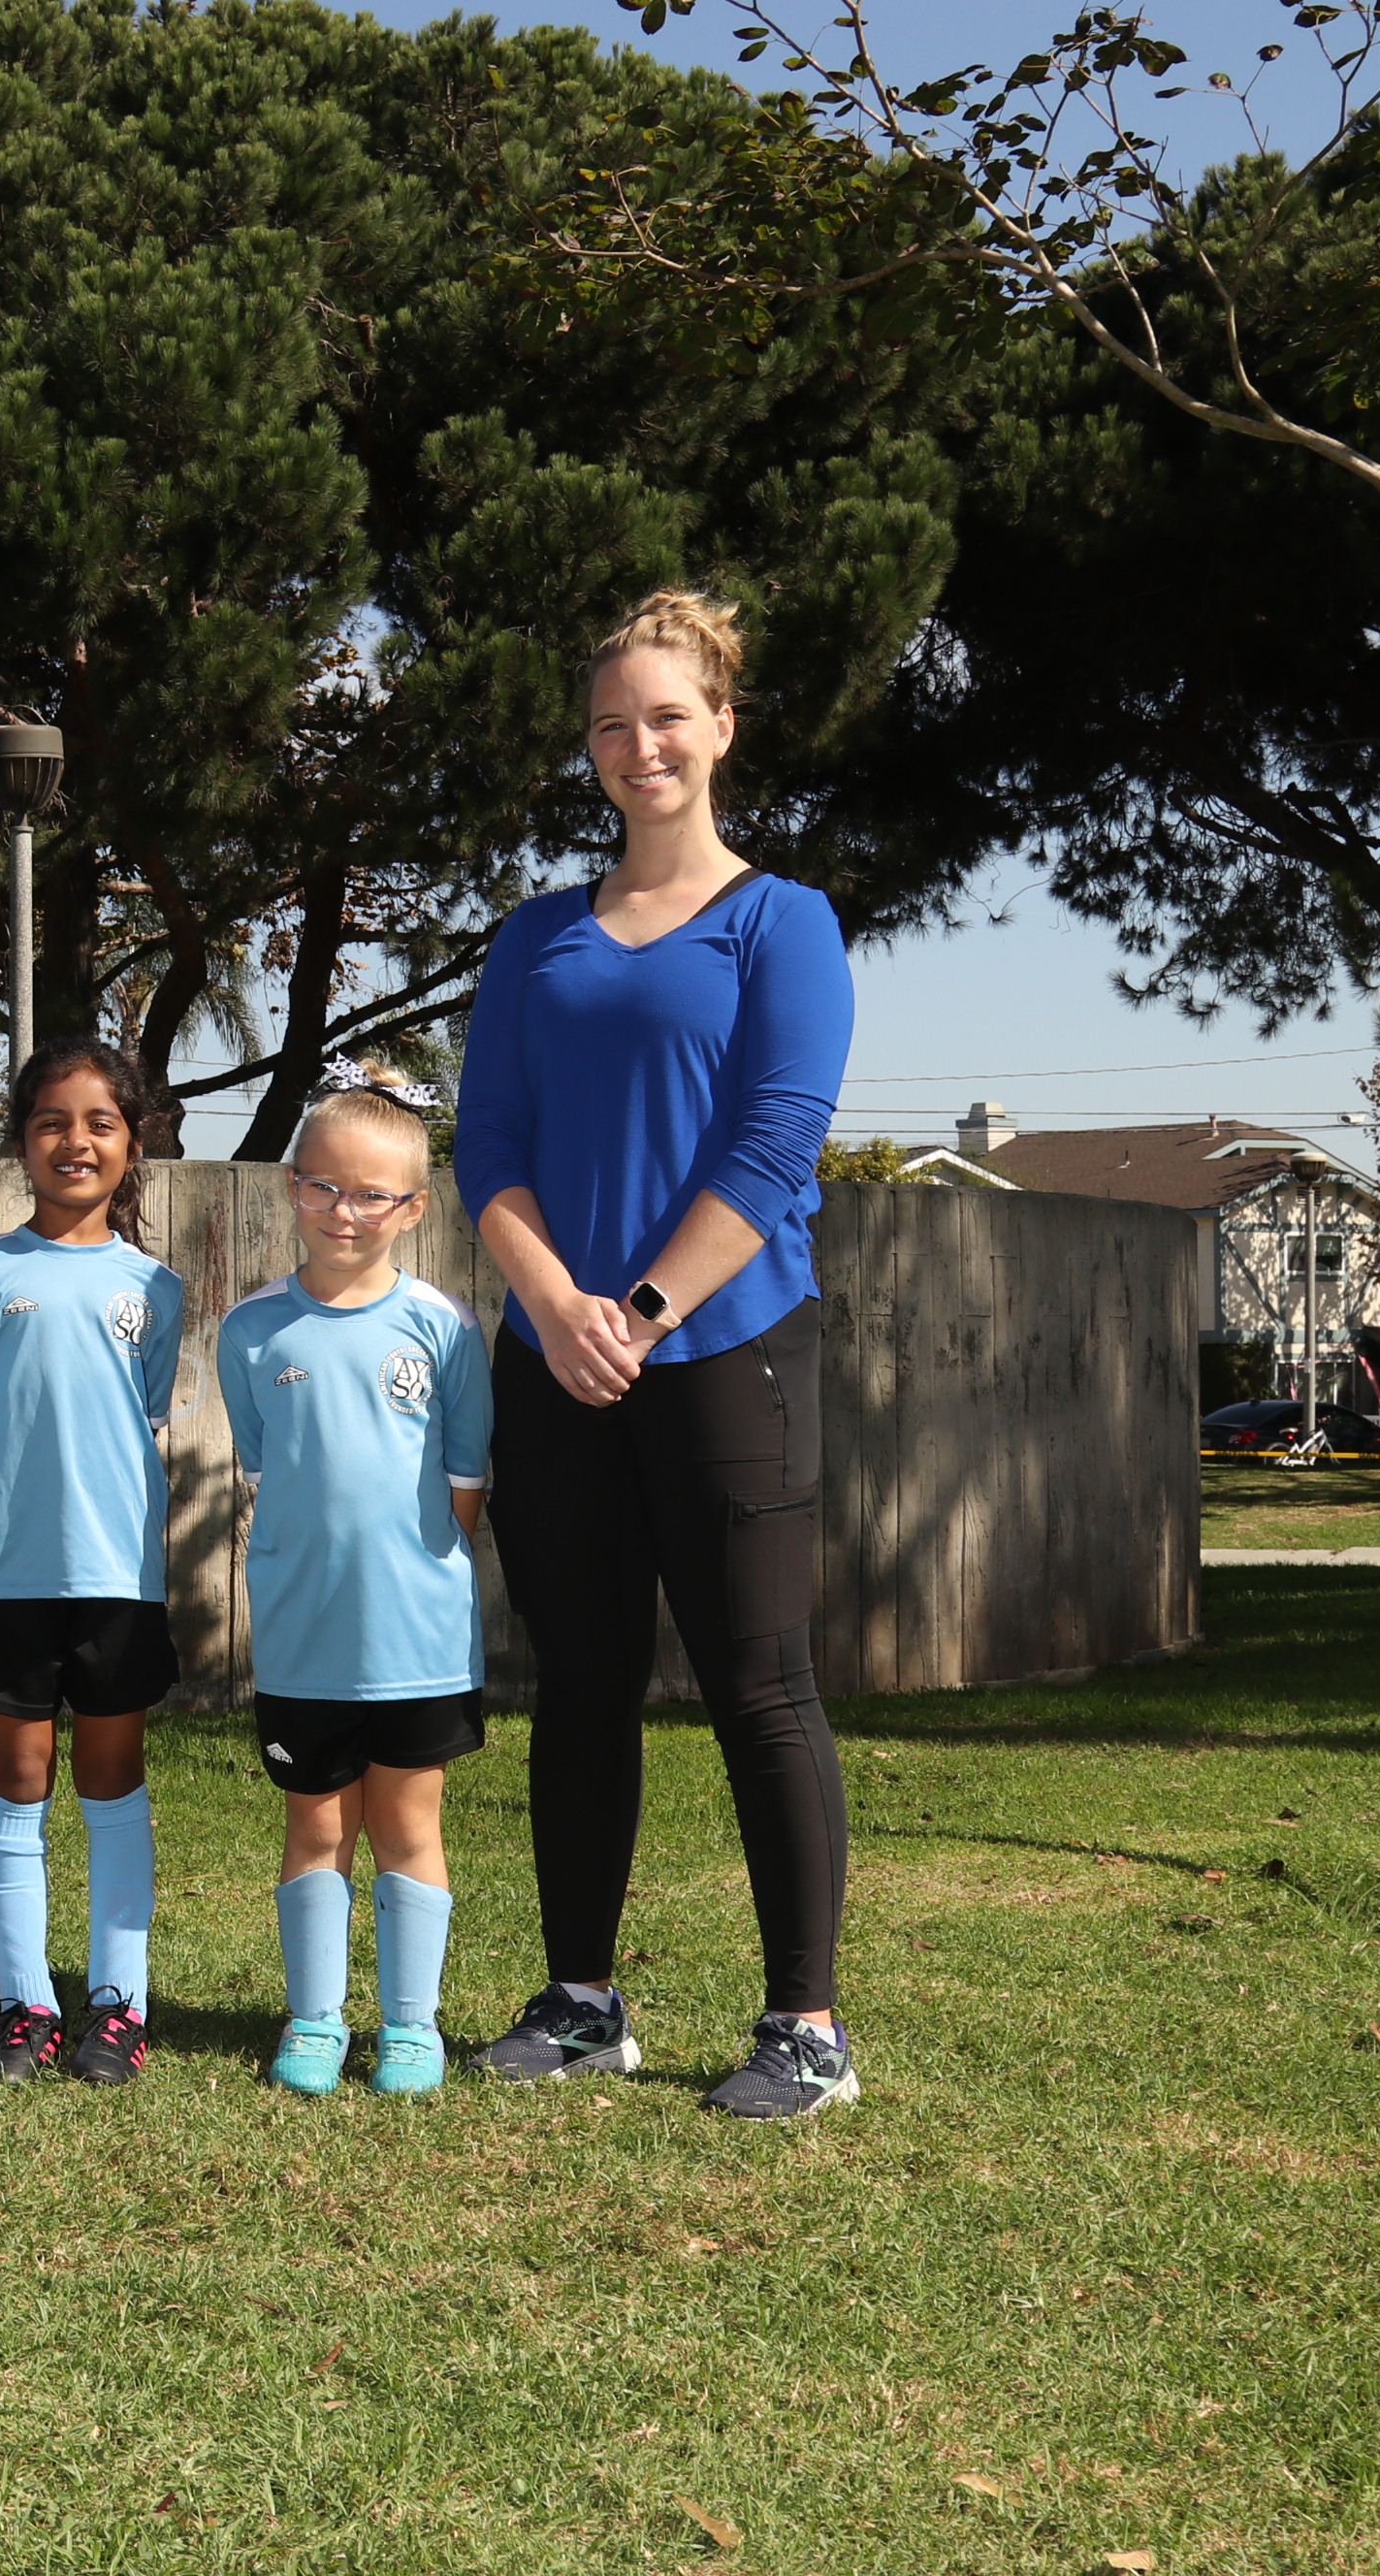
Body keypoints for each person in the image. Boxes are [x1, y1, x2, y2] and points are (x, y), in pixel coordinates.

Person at [452, 587, 860, 2121]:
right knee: (582, 1683)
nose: (642, 746)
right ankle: (581, 2003)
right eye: (613, 724)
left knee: (762, 1685)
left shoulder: (782, 922)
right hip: (556, 1359)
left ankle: (805, 2028)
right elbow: (488, 1144)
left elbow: (774, 1143)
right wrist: (558, 1309)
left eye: (669, 716)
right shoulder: (536, 937)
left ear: (722, 727)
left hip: (727, 1351)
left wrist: (638, 1312)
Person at [215, 1074, 492, 2099]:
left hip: (417, 1642)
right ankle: (316, 2019)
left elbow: (464, 1484)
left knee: (410, 1827)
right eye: (323, 1186)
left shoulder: (444, 1327)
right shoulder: (251, 1331)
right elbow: (269, 1471)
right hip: (304, 1638)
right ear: (291, 1186)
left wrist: (410, 1581)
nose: (344, 1210)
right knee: (318, 1826)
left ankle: (411, 2026)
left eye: (373, 1194)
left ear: (412, 1208)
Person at [0, 1039, 185, 2086]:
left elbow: (143, 1430)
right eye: (51, 1121)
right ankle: (25, 2001)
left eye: (99, 1122)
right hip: (7, 1578)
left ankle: (120, 2004)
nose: (74, 1141)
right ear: (21, 1140)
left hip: (117, 1577)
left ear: (132, 1143)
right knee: (18, 1774)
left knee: (111, 1774)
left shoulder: (156, 1287)